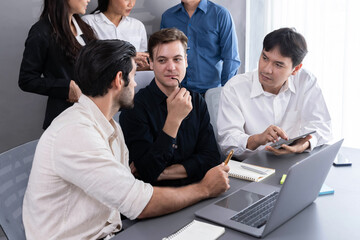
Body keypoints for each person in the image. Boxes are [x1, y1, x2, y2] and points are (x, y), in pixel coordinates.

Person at [22, 39, 230, 239]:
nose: (136, 83)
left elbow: (131, 191)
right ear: (118, 79)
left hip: (114, 231)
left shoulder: (109, 126)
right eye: (133, 75)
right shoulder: (76, 133)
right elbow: (140, 204)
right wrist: (205, 189)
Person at [120, 28, 221, 186]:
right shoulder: (134, 107)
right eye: (162, 60)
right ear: (151, 63)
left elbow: (211, 158)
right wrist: (173, 120)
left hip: (198, 189)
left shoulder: (197, 101)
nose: (171, 67)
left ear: (186, 61)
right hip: (159, 198)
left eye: (177, 59)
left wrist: (162, 173)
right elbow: (147, 170)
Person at [217, 28, 332, 160]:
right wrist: (257, 139)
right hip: (251, 165)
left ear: (295, 69)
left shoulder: (305, 80)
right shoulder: (235, 88)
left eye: (278, 65)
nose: (266, 69)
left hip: (292, 161)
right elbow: (226, 143)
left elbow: (322, 125)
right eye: (264, 58)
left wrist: (303, 144)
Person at [18, 0, 97, 129]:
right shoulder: (41, 32)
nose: (89, 0)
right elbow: (26, 80)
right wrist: (65, 86)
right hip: (65, 119)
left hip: (92, 114)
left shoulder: (83, 27)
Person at [160, 0, 241, 94]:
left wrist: (225, 92)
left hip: (210, 92)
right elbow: (163, 54)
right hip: (177, 92)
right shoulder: (168, 17)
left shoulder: (220, 14)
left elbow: (231, 58)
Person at [82, 0, 149, 70]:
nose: (131, 4)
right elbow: (87, 61)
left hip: (132, 79)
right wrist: (129, 58)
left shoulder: (138, 26)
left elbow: (139, 65)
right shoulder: (88, 22)